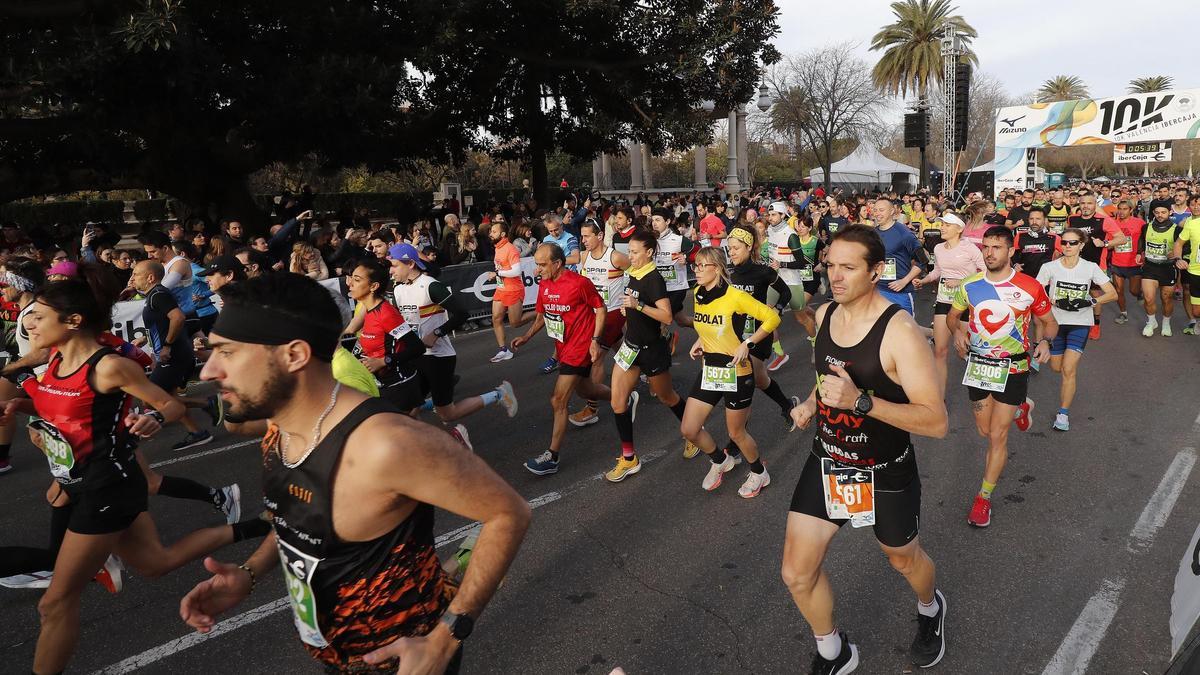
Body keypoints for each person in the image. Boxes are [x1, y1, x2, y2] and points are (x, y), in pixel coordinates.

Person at [181, 272, 531, 674]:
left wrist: (446, 638)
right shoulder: (280, 427)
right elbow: (298, 517)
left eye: (227, 352)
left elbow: (509, 513)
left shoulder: (386, 443)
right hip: (336, 659)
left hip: (406, 662)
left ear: (294, 355)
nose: (208, 371)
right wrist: (250, 572)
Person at [5, 269, 268, 675]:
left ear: (73, 321)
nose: (29, 324)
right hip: (80, 482)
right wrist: (18, 407)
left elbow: (171, 404)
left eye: (38, 317)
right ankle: (262, 526)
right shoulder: (55, 360)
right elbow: (57, 407)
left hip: (107, 487)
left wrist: (154, 420)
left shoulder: (108, 366)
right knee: (155, 563)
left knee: (54, 603)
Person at [783, 225, 949, 675]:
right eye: (831, 266)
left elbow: (936, 421)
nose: (835, 277)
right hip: (830, 461)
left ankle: (930, 607)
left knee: (903, 560)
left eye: (848, 268)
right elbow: (828, 377)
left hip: (885, 469)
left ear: (876, 272)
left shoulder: (899, 333)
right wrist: (812, 404)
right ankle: (834, 652)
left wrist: (861, 402)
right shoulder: (825, 314)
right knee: (797, 573)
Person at [948, 226, 1057, 528]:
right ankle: (1023, 407)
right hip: (978, 367)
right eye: (986, 246)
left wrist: (1045, 341)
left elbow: (1049, 322)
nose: (989, 252)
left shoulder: (1029, 286)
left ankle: (983, 498)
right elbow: (953, 317)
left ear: (1010, 251)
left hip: (1013, 367)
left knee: (998, 435)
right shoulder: (970, 284)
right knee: (984, 430)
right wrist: (956, 332)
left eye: (996, 247)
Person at [680, 247, 781, 498]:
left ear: (717, 268)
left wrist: (748, 343)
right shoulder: (698, 293)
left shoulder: (735, 296)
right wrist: (701, 341)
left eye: (702, 266)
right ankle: (720, 460)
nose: (697, 271)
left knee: (736, 433)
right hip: (711, 370)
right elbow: (709, 323)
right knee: (689, 429)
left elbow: (771, 318)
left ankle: (759, 472)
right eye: (695, 266)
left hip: (736, 371)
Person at [513, 243, 616, 476]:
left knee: (558, 400)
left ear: (558, 263)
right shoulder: (544, 283)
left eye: (542, 264)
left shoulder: (579, 283)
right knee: (586, 389)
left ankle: (552, 457)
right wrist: (527, 337)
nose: (537, 269)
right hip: (563, 346)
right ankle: (623, 399)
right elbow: (543, 315)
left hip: (580, 347)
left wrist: (595, 340)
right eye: (537, 264)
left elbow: (600, 308)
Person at [388, 243, 518, 426]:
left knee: (447, 415)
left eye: (394, 265)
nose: (390, 271)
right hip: (416, 356)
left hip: (438, 358)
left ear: (410, 264)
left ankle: (499, 394)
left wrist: (436, 333)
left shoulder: (430, 285)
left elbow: (462, 314)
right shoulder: (398, 290)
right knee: (408, 409)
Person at [129, 260, 221, 451]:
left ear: (150, 277)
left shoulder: (159, 294)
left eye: (136, 274)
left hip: (174, 354)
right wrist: (145, 339)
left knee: (151, 398)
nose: (132, 278)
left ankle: (206, 403)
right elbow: (160, 324)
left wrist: (167, 346)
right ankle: (197, 432)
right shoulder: (154, 295)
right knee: (168, 396)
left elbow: (178, 317)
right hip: (173, 353)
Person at [1036, 228, 1118, 432]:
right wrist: (1052, 301)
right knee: (1056, 367)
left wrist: (1089, 301)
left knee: (1068, 369)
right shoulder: (1049, 267)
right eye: (1064, 242)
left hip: (1080, 323)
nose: (1067, 246)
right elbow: (1036, 292)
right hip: (1056, 323)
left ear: (1081, 245)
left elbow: (1112, 294)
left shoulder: (1090, 267)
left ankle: (1063, 414)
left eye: (1072, 243)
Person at [725, 226, 800, 430]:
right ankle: (787, 405)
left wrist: (777, 309)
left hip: (758, 333)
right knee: (759, 380)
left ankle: (738, 437)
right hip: (733, 334)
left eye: (736, 248)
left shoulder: (763, 271)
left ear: (749, 247)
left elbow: (785, 292)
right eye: (729, 248)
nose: (731, 252)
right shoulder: (727, 273)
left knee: (745, 382)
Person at [345, 258, 428, 412]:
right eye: (351, 279)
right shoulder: (367, 309)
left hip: (399, 385)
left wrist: (383, 361)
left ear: (373, 286)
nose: (350, 284)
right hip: (382, 384)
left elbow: (417, 347)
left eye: (357, 280)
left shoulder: (386, 313)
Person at [913, 212, 984, 391]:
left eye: (947, 225)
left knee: (965, 349)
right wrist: (924, 280)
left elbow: (985, 272)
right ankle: (940, 396)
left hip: (965, 304)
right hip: (944, 301)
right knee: (940, 351)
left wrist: (961, 282)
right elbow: (937, 271)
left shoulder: (970, 248)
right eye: (942, 224)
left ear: (959, 229)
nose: (942, 227)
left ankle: (983, 386)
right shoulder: (938, 248)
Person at [571, 221, 631, 427]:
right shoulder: (584, 256)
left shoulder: (615, 257)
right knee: (622, 348)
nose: (584, 240)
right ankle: (649, 369)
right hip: (594, 315)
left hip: (613, 314)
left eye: (587, 236)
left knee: (596, 358)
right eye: (582, 236)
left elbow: (639, 272)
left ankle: (592, 408)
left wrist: (631, 297)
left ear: (599, 236)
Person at [1067, 192, 1127, 340]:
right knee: (1074, 291)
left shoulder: (1104, 220)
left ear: (1095, 205)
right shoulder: (1072, 219)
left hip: (1096, 265)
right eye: (1083, 203)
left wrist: (1105, 243)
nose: (1086, 206)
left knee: (1095, 294)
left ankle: (1096, 324)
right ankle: (1074, 322)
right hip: (1075, 263)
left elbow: (1122, 238)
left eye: (1089, 203)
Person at [537, 213, 583, 373]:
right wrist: (540, 268)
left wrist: (553, 263)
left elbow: (576, 258)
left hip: (569, 284)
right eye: (550, 231)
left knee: (564, 323)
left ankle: (557, 359)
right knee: (557, 323)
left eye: (556, 229)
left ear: (561, 226)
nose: (554, 233)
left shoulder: (570, 238)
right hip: (553, 284)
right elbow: (541, 262)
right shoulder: (546, 240)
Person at [650, 207, 697, 352]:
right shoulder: (651, 239)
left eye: (658, 220)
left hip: (676, 288)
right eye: (652, 220)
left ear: (668, 221)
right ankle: (708, 326)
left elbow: (698, 252)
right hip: (658, 288)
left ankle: (657, 354)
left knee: (660, 321)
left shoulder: (678, 240)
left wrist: (687, 258)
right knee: (682, 320)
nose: (654, 223)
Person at [869, 197, 924, 316]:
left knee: (904, 326)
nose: (877, 213)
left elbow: (922, 260)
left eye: (881, 210)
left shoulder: (904, 233)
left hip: (900, 293)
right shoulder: (872, 234)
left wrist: (904, 281)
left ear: (892, 211)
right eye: (875, 210)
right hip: (877, 290)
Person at [487, 221, 531, 363]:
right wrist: (498, 274)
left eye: (494, 232)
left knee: (515, 323)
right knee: (496, 318)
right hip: (501, 289)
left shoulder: (510, 248)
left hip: (513, 289)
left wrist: (497, 273)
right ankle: (503, 350)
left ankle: (540, 313)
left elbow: (516, 271)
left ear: (502, 234)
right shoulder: (498, 248)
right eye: (491, 231)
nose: (490, 234)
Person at [1140, 205, 1181, 336]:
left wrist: (1176, 253)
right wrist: (1139, 253)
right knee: (1148, 298)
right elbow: (1142, 241)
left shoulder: (1177, 229)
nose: (1160, 215)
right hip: (1150, 267)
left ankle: (1166, 323)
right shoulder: (1146, 227)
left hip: (1168, 268)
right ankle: (1151, 322)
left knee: (1166, 299)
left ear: (1170, 212)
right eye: (1157, 212)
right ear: (1153, 212)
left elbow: (1184, 247)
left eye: (1163, 212)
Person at [1106, 200, 1145, 325]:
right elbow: (1108, 242)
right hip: (1117, 262)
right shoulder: (1113, 224)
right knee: (1119, 290)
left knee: (1133, 290)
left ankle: (1139, 293)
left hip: (1134, 262)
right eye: (1120, 209)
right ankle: (1123, 313)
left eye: (1125, 209)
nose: (1121, 212)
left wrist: (1142, 253)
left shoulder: (1139, 223)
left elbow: (1145, 238)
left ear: (1131, 210)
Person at [1011, 206, 1060, 280]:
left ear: (1045, 220)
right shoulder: (1020, 236)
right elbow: (1012, 255)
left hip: (1046, 281)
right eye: (1031, 219)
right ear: (1028, 220)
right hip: (1024, 279)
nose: (1034, 222)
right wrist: (1015, 265)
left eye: (1038, 219)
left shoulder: (1055, 238)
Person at [1174, 194, 1200, 335]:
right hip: (1191, 266)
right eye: (1193, 204)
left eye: (1199, 204)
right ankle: (1192, 319)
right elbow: (1177, 243)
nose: (1196, 207)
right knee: (1187, 291)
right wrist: (1178, 258)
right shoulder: (1187, 223)